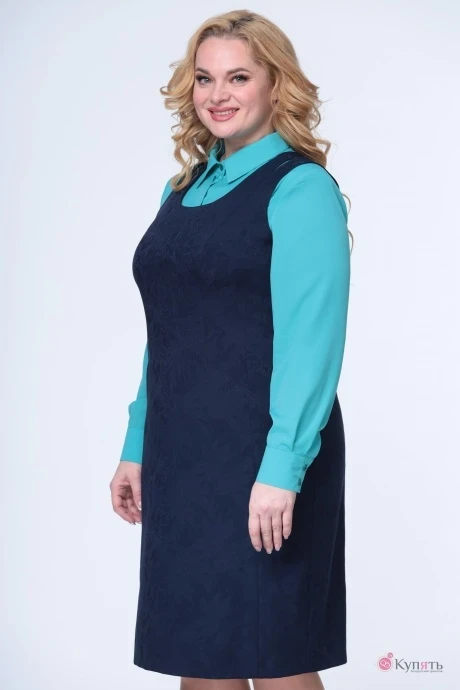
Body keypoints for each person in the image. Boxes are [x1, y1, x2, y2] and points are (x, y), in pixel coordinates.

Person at [109, 9, 353, 690]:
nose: (218, 94)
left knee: (275, 658)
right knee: (199, 657)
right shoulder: (180, 191)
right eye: (205, 78)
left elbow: (312, 344)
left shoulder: (300, 188)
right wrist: (137, 444)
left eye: (239, 77)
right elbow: (168, 332)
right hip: (181, 456)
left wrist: (283, 468)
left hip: (265, 455)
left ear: (276, 84)